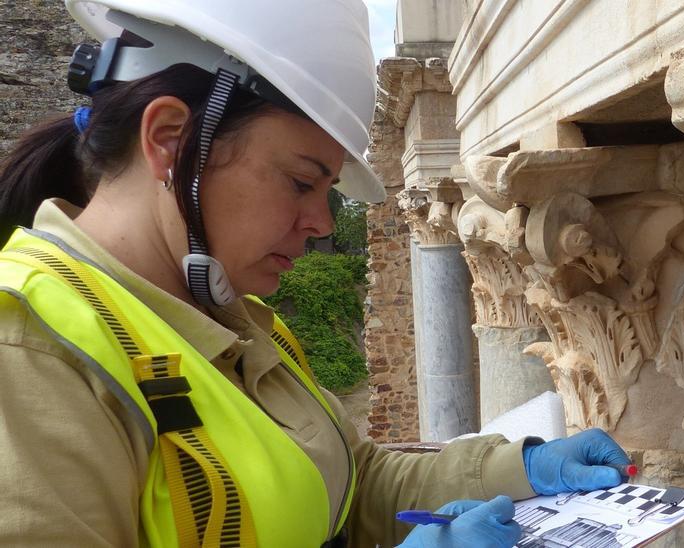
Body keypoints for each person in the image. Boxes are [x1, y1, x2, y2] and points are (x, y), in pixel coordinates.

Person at [0, 1, 631, 547]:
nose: (321, 223)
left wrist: (520, 471)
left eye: (327, 189)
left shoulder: (240, 324)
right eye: (302, 181)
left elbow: (350, 485)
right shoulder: (31, 350)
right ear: (169, 139)